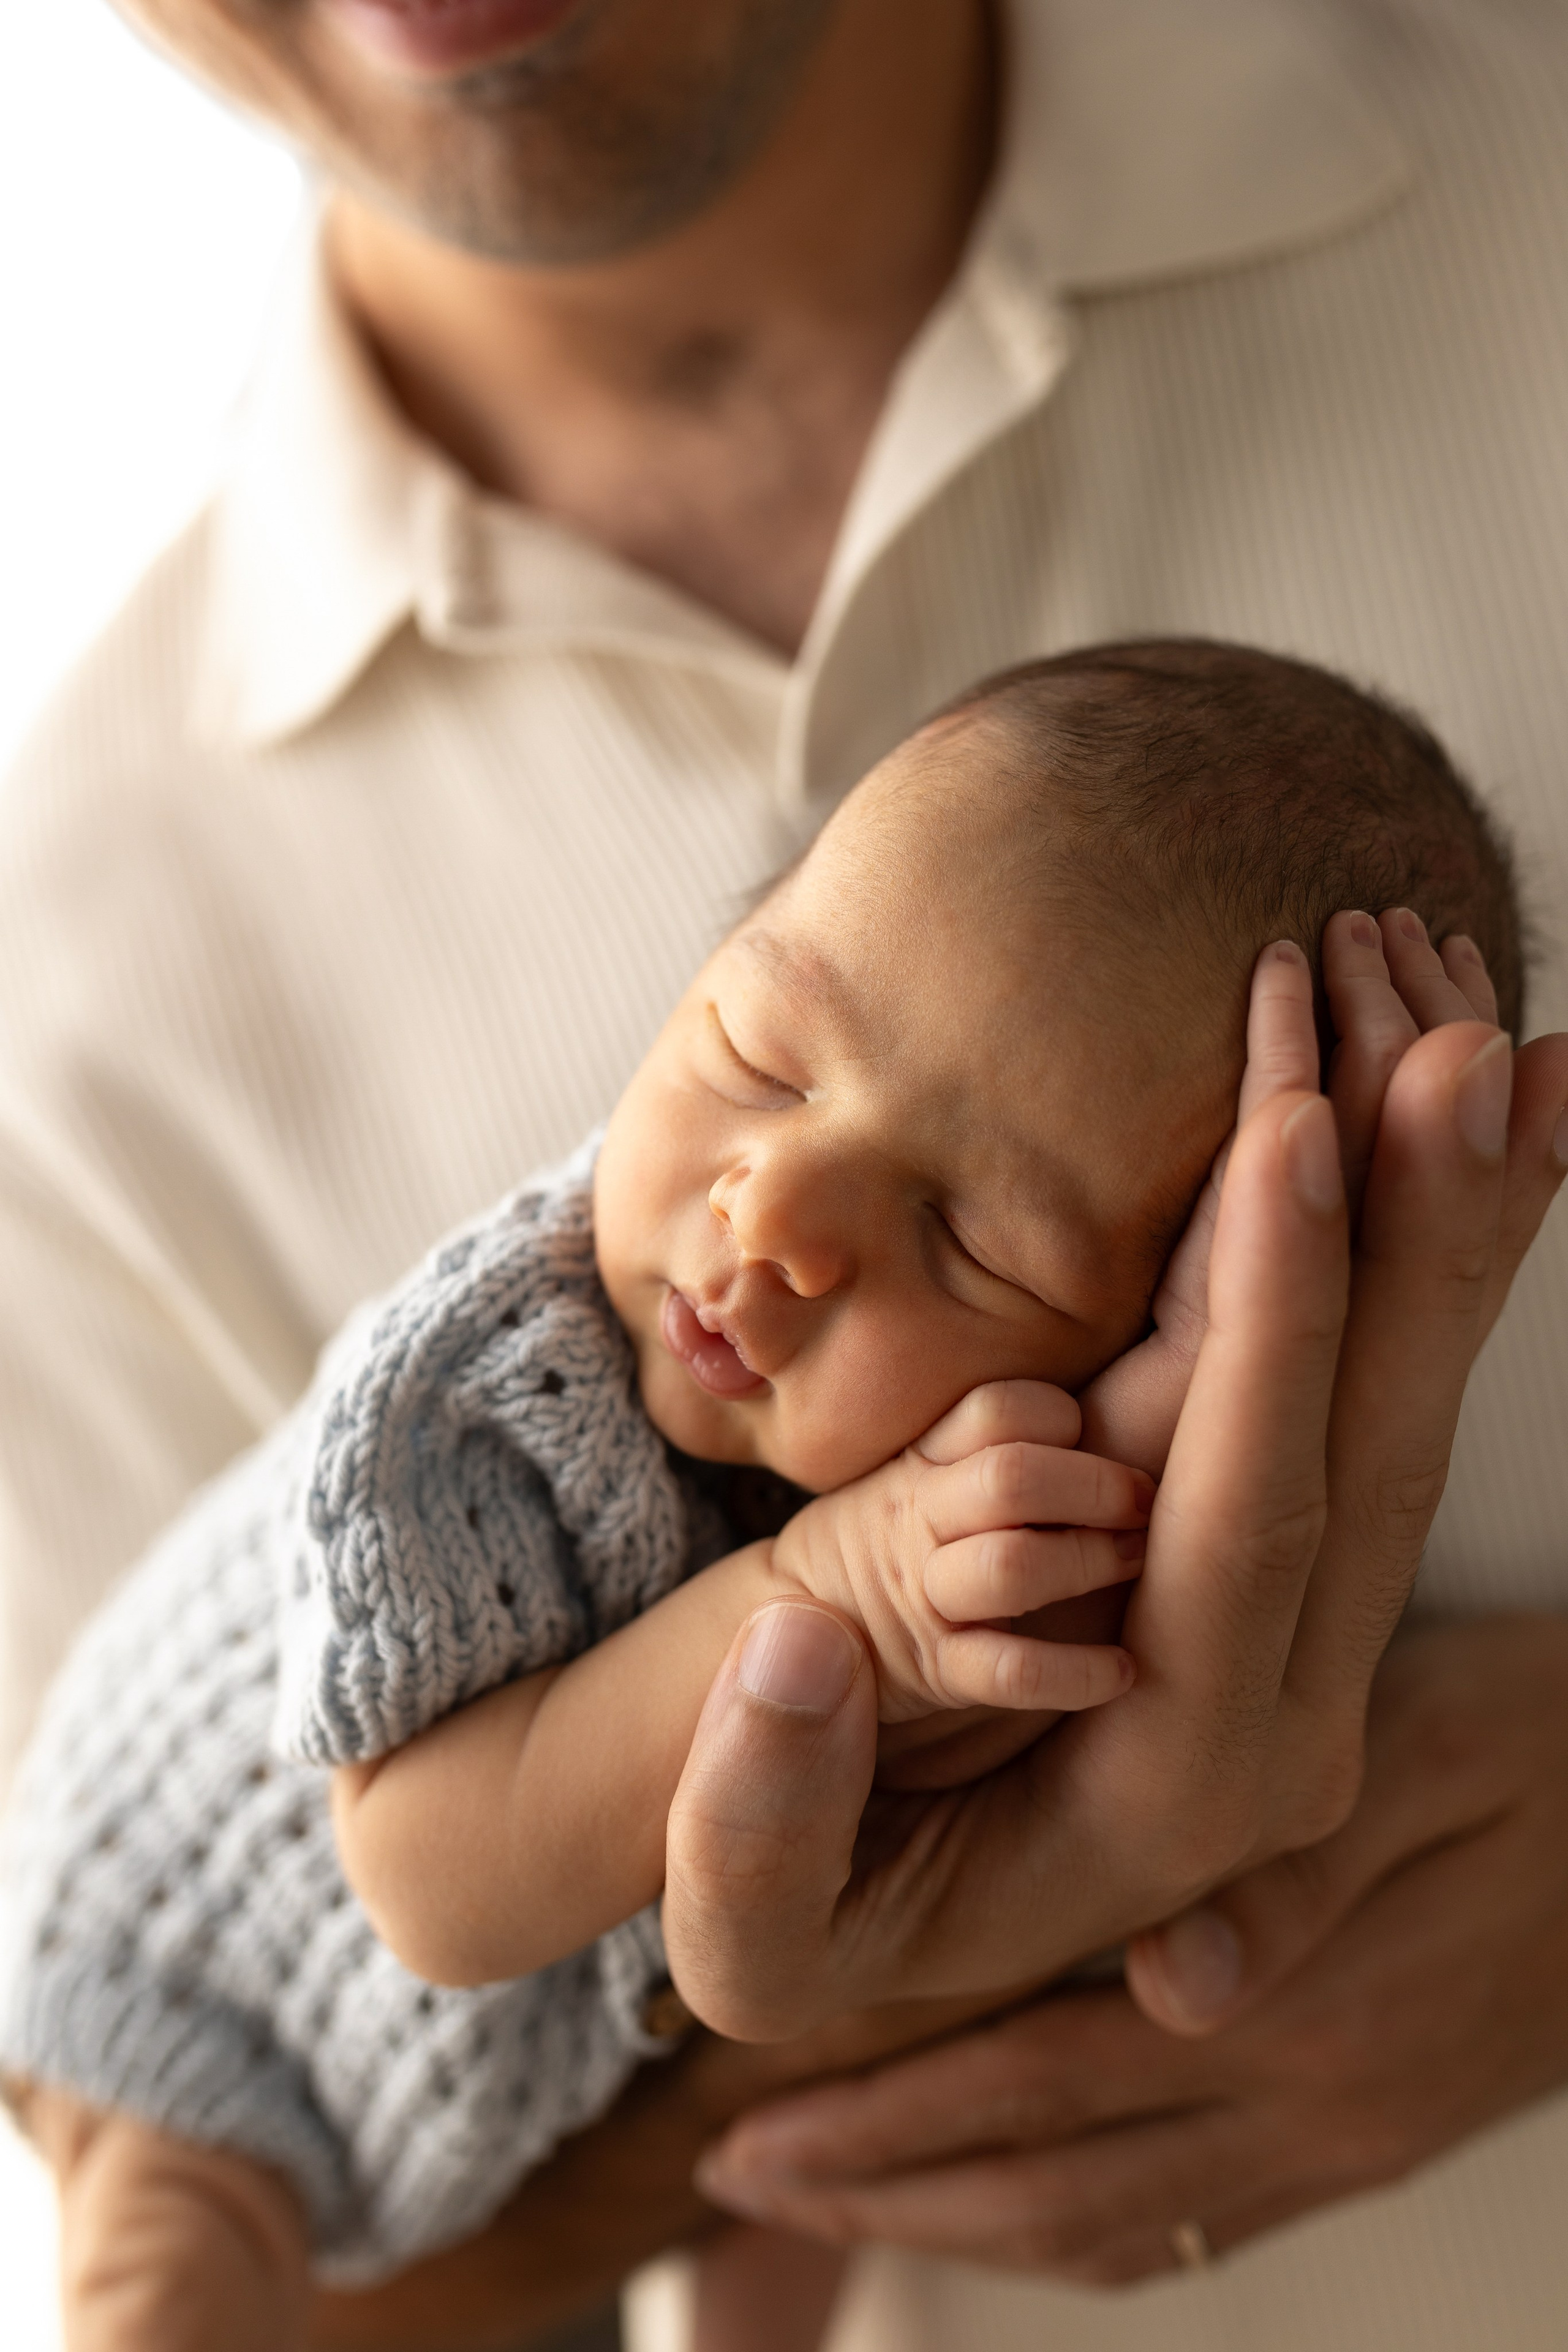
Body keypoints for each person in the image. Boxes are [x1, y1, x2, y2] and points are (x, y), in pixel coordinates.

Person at [4, 1, 1568, 2346]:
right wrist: (815, 1980)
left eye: (974, 1238)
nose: (780, 1221)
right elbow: (317, 2109)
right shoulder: (74, 991)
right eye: (744, 1047)